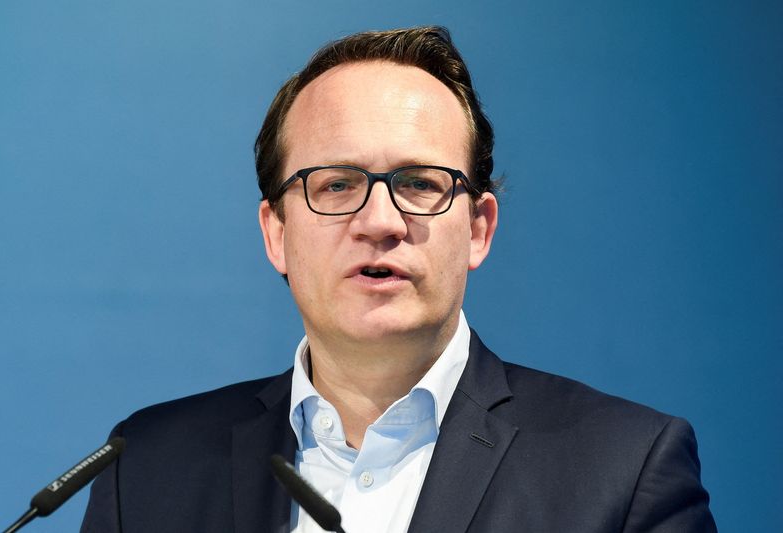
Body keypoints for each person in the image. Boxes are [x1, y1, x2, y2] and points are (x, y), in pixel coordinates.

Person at [81, 26, 716, 532]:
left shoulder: (624, 469)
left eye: (418, 184)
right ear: (275, 232)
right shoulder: (144, 468)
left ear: (477, 229)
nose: (379, 221)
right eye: (335, 184)